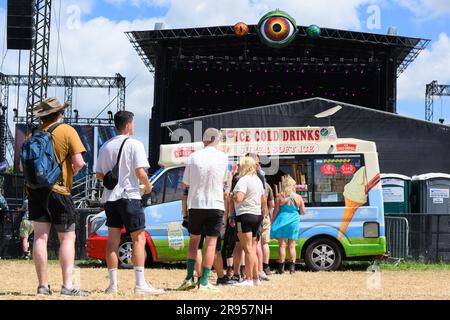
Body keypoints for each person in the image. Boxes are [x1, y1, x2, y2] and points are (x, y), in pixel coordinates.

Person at [96, 111, 163, 295]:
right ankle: (140, 284)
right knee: (139, 239)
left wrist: (110, 183)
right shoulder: (135, 144)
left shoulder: (105, 146)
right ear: (128, 125)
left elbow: (99, 174)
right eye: (132, 123)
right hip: (130, 196)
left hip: (110, 198)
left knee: (112, 241)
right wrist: (148, 187)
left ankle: (112, 285)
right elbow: (141, 173)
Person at [26, 97, 88, 296]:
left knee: (40, 238)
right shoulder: (67, 130)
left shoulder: (32, 135)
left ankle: (42, 286)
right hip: (59, 191)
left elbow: (22, 167)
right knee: (67, 237)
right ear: (60, 113)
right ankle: (67, 286)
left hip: (35, 192)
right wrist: (70, 173)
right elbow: (79, 163)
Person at [178, 128, 229, 291]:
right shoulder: (223, 157)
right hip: (215, 204)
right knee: (211, 244)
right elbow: (223, 182)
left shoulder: (193, 156)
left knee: (194, 243)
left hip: (196, 203)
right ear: (215, 139)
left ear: (204, 140)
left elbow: (186, 182)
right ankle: (205, 281)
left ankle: (188, 278)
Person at [232, 156, 266, 287]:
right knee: (252, 248)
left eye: (240, 165)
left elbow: (239, 198)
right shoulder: (257, 180)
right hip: (257, 215)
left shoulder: (243, 180)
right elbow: (263, 200)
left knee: (248, 250)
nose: (238, 167)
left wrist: (231, 196)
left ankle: (248, 279)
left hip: (244, 215)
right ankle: (256, 278)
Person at [271, 175, 306, 274]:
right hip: (294, 221)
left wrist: (272, 221)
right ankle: (292, 268)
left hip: (282, 221)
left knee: (282, 245)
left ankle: (281, 268)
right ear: (292, 186)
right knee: (292, 246)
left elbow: (276, 211)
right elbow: (303, 212)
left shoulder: (279, 196)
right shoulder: (298, 197)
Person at [261, 182, 275, 275]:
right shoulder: (267, 185)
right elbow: (272, 204)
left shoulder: (245, 181)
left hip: (251, 215)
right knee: (264, 243)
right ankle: (266, 266)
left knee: (253, 244)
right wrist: (270, 217)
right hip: (264, 216)